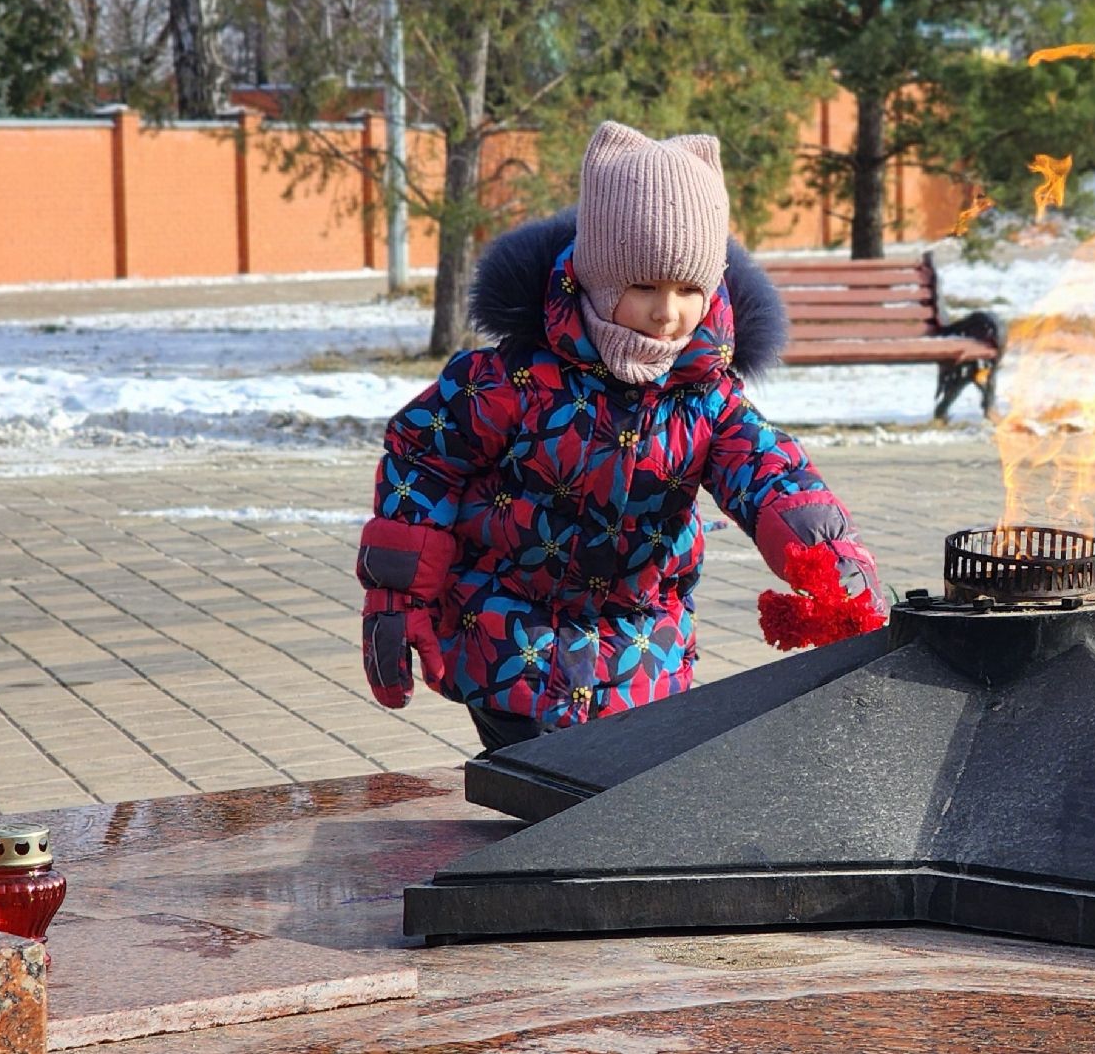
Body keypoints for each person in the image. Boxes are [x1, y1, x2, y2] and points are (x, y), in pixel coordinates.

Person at [354, 121, 886, 752]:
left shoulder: (706, 396)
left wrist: (826, 559)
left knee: (616, 791)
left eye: (689, 289)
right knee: (536, 785)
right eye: (644, 287)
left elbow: (770, 473)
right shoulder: (513, 380)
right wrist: (397, 594)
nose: (668, 312)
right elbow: (423, 461)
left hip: (642, 650)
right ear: (598, 278)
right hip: (509, 641)